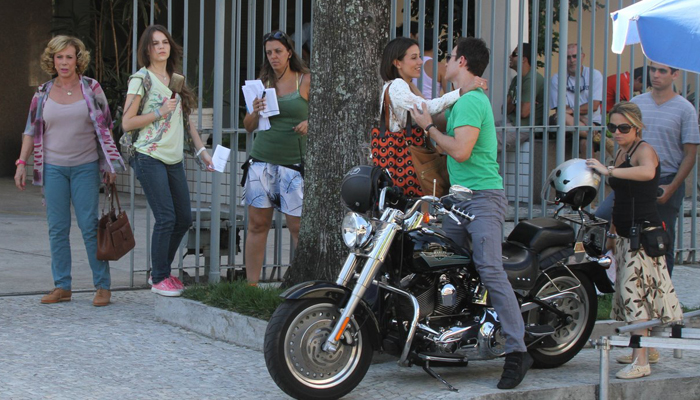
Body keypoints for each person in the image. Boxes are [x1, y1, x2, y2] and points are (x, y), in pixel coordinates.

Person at [411, 37, 531, 390]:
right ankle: (453, 333)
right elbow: (432, 106)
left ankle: (517, 350)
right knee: (443, 263)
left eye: (448, 58)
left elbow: (461, 151)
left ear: (461, 62)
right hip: (458, 199)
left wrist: (428, 128)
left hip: (481, 198)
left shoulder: (471, 103)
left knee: (490, 269)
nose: (443, 63)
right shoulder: (463, 100)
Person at [14, 35, 125, 306]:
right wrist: (20, 163)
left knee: (89, 227)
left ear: (78, 59)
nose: (64, 62)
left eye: (69, 56)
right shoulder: (42, 92)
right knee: (57, 228)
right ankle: (62, 286)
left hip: (85, 167)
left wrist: (110, 163)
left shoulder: (92, 88)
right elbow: (30, 130)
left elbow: (107, 127)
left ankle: (102, 286)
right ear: (52, 60)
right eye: (59, 57)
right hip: (52, 169)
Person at [586, 102, 682, 379]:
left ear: (637, 127)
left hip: (645, 234)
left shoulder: (644, 150)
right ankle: (644, 348)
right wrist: (614, 233)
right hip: (628, 234)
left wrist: (609, 171)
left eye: (623, 127)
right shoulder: (623, 151)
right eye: (612, 127)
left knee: (634, 295)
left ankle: (641, 360)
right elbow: (620, 199)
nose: (617, 132)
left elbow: (648, 172)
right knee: (636, 294)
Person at [121, 25, 214, 297]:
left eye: (165, 42)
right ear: (146, 49)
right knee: (166, 217)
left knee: (183, 218)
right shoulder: (141, 79)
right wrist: (160, 111)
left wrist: (201, 152)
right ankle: (160, 276)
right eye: (155, 43)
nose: (161, 47)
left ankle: (159, 271)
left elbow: (186, 122)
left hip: (173, 159)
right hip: (148, 155)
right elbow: (127, 122)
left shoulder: (175, 79)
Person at [597, 62, 700, 276]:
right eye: (653, 70)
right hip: (631, 177)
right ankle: (616, 280)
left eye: (662, 71)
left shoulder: (685, 109)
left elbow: (690, 153)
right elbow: (625, 140)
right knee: (603, 217)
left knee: (660, 239)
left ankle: (664, 295)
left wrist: (672, 187)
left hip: (665, 179)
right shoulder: (637, 103)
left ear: (675, 74)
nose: (655, 75)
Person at [242, 30, 310, 286]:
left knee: (297, 228)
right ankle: (251, 286)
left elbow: (323, 117)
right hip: (261, 161)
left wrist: (308, 123)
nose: (273, 57)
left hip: (293, 164)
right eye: (269, 52)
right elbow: (249, 126)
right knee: (258, 224)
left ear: (289, 52)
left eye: (278, 51)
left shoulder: (305, 80)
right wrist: (255, 111)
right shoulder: (261, 83)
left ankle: (302, 284)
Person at [378, 37, 486, 195]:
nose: (421, 62)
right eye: (414, 58)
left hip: (397, 160)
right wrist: (461, 91)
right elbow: (426, 108)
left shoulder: (399, 85)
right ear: (397, 63)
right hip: (403, 160)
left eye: (420, 56)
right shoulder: (397, 85)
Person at [550, 44, 611, 156]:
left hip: (592, 121)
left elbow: (594, 106)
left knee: (586, 144)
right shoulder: (557, 78)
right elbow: (562, 109)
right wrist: (583, 118)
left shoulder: (595, 75)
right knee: (561, 116)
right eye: (568, 57)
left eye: (575, 56)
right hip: (572, 123)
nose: (572, 60)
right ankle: (593, 134)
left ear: (582, 56)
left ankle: (593, 173)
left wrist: (572, 111)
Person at [502, 43, 545, 150]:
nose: (510, 57)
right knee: (480, 131)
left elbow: (524, 112)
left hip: (525, 128)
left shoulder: (531, 79)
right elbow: (504, 109)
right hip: (511, 123)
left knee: (486, 141)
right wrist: (518, 102)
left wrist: (515, 102)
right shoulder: (516, 79)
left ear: (523, 59)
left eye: (514, 54)